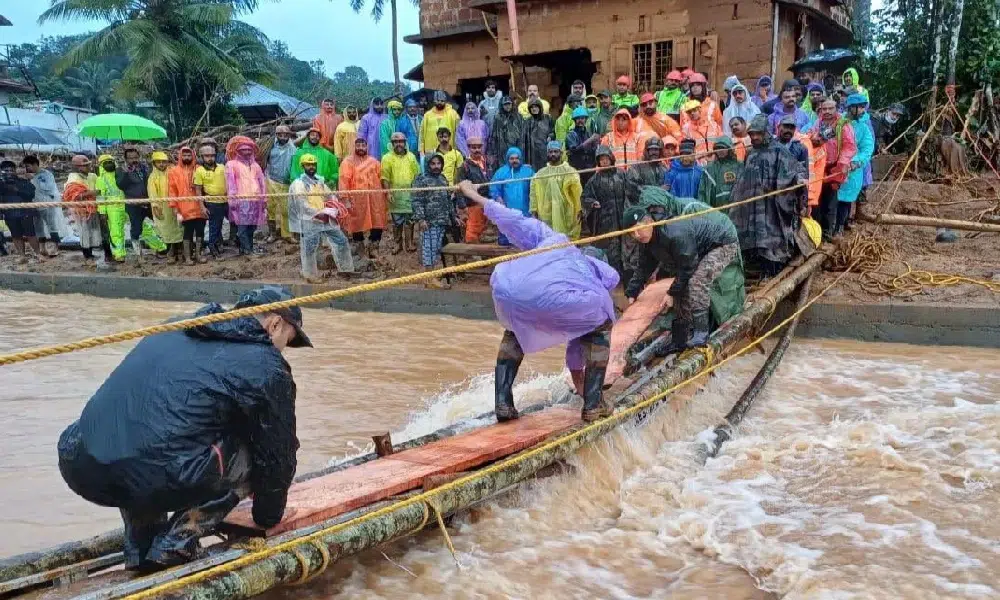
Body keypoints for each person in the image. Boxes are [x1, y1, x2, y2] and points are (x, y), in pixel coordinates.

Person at [57, 286, 309, 571]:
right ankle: (177, 541)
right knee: (258, 447)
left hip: (81, 462)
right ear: (275, 323)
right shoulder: (266, 365)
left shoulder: (176, 326)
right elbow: (279, 453)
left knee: (145, 434)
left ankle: (140, 546)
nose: (281, 350)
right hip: (153, 470)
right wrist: (268, 517)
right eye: (285, 341)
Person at [455, 180, 619, 423]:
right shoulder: (595, 281)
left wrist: (471, 194)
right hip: (563, 301)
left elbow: (513, 219)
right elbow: (577, 354)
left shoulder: (553, 239)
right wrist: (585, 393)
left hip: (507, 288)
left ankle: (503, 403)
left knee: (515, 330)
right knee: (601, 324)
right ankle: (594, 406)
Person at [623, 186, 744, 351]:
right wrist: (632, 291)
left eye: (639, 229)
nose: (637, 235)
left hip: (722, 241)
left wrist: (671, 293)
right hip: (696, 248)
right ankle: (680, 339)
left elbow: (687, 267)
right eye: (631, 233)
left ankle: (702, 333)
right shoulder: (647, 241)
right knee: (680, 288)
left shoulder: (674, 232)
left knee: (696, 281)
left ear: (650, 222)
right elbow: (643, 266)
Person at [727, 114, 804, 276]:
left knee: (771, 239)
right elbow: (743, 178)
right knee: (753, 237)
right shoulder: (751, 153)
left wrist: (794, 185)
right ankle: (754, 267)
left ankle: (772, 271)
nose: (754, 137)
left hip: (772, 207)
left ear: (766, 132)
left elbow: (794, 174)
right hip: (753, 206)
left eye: (758, 133)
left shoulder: (779, 151)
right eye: (751, 134)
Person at [288, 154, 355, 281]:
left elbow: (330, 196)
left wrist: (335, 207)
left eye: (313, 164)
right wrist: (317, 212)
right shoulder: (298, 184)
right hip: (310, 220)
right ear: (303, 166)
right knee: (309, 248)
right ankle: (310, 275)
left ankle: (346, 269)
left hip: (325, 218)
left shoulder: (320, 181)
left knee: (341, 240)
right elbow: (301, 204)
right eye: (308, 164)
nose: (311, 167)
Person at [805, 98, 856, 238]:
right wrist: (812, 138)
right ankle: (817, 233)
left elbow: (849, 146)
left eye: (830, 108)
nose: (826, 112)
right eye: (824, 109)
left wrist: (843, 164)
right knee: (817, 201)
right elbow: (809, 135)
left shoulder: (843, 125)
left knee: (831, 202)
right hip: (819, 167)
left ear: (836, 109)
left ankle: (828, 233)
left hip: (835, 168)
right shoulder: (818, 123)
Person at [582, 145, 631, 278]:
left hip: (623, 216)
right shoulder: (594, 180)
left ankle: (627, 275)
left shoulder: (622, 175)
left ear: (611, 158)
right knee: (611, 249)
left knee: (627, 247)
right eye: (601, 159)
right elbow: (585, 197)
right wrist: (592, 203)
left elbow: (631, 191)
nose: (604, 161)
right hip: (605, 222)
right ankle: (614, 276)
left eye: (606, 158)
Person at [412, 154, 457, 288]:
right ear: (427, 164)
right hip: (428, 222)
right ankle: (429, 279)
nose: (436, 166)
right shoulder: (421, 180)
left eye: (439, 163)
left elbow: (448, 200)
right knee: (428, 249)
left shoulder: (443, 179)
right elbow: (416, 201)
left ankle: (430, 277)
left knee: (435, 249)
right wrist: (421, 219)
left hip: (441, 220)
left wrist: (453, 217)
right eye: (433, 163)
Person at [833, 94, 874, 236]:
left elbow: (867, 148)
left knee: (846, 199)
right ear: (851, 108)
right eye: (860, 107)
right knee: (833, 199)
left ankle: (839, 227)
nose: (863, 110)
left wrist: (856, 162)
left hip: (852, 170)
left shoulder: (863, 127)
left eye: (864, 107)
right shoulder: (839, 122)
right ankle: (832, 227)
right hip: (836, 167)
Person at [339, 137, 387, 258]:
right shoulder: (347, 162)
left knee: (377, 221)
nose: (360, 148)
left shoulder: (374, 162)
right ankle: (359, 246)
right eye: (358, 146)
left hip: (375, 199)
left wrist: (386, 195)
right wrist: (345, 199)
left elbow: (382, 178)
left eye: (363, 146)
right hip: (356, 200)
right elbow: (344, 181)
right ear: (354, 147)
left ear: (367, 147)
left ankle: (374, 247)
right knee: (356, 222)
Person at [530, 141, 583, 238]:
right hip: (547, 213)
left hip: (566, 212)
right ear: (547, 154)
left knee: (566, 241)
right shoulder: (540, 174)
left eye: (556, 151)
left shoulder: (570, 172)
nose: (553, 154)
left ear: (561, 153)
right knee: (549, 239)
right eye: (550, 152)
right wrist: (534, 210)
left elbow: (577, 193)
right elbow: (533, 193)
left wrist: (580, 209)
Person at [117, 148, 162, 262]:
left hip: (148, 202)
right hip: (133, 204)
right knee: (136, 229)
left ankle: (157, 250)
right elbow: (120, 185)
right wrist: (127, 173)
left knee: (158, 224)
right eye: (131, 158)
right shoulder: (121, 170)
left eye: (136, 157)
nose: (134, 160)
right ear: (126, 159)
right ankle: (139, 255)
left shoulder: (144, 168)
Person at [63, 155, 108, 265]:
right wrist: (93, 193)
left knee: (98, 232)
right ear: (79, 167)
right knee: (85, 232)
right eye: (86, 165)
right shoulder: (73, 179)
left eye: (88, 164)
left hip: (96, 207)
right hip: (81, 210)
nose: (89, 166)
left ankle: (103, 253)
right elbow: (74, 196)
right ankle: (87, 255)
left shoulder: (92, 176)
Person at [380, 132, 421, 253]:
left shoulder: (411, 157)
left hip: (410, 195)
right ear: (392, 144)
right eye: (396, 142)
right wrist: (388, 193)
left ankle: (409, 244)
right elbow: (384, 177)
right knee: (397, 221)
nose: (399, 144)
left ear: (405, 143)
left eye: (401, 141)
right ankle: (397, 244)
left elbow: (417, 175)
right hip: (395, 196)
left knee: (410, 221)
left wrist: (417, 192)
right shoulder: (387, 158)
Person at [167, 147, 208, 265]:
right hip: (184, 209)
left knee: (200, 231)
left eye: (189, 156)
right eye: (184, 156)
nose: (186, 158)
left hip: (200, 207)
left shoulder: (199, 169)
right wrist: (174, 208)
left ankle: (199, 255)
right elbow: (172, 191)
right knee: (187, 233)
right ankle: (187, 257)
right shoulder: (173, 171)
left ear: (193, 156)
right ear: (180, 156)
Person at [489, 147, 534, 246]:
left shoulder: (528, 171)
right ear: (507, 159)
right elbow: (493, 188)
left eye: (517, 158)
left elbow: (536, 188)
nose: (514, 160)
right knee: (506, 240)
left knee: (524, 239)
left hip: (525, 212)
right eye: (511, 158)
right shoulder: (501, 172)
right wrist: (498, 198)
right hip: (507, 213)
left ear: (521, 158)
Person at [194, 142, 230, 258]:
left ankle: (221, 244)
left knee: (226, 224)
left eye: (212, 155)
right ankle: (212, 247)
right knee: (214, 226)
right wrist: (202, 207)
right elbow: (198, 190)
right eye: (207, 156)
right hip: (212, 203)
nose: (210, 158)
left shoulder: (222, 167)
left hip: (225, 200)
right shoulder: (199, 171)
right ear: (202, 157)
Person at [147, 151, 183, 263]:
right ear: (154, 163)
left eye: (164, 162)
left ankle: (180, 250)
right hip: (162, 208)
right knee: (166, 230)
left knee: (179, 228)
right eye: (159, 162)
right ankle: (170, 252)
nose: (162, 164)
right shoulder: (152, 177)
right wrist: (155, 207)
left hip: (175, 206)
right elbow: (152, 193)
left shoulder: (172, 171)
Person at [22, 155, 61, 256]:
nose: (27, 169)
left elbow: (47, 188)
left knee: (52, 226)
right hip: (34, 205)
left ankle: (55, 247)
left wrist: (34, 179)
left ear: (35, 164)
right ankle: (42, 248)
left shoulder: (46, 174)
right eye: (25, 167)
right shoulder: (28, 175)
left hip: (47, 204)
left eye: (28, 166)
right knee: (38, 227)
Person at [455, 136, 492, 243]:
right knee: (472, 231)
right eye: (473, 147)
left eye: (479, 147)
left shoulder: (487, 163)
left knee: (482, 226)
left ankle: (480, 249)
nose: (477, 150)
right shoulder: (464, 166)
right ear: (468, 148)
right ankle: (472, 254)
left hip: (486, 201)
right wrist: (463, 206)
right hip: (472, 203)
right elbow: (459, 187)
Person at [0, 160, 38, 258]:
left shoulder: (23, 181)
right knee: (16, 235)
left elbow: (31, 194)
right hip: (9, 213)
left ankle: (38, 254)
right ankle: (22, 256)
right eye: (6, 171)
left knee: (31, 234)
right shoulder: (1, 183)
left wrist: (17, 190)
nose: (9, 172)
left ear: (15, 171)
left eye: (11, 170)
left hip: (25, 212)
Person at [265, 125, 297, 242]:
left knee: (286, 209)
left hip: (286, 183)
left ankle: (287, 235)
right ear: (276, 135)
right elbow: (263, 160)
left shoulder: (293, 149)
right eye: (280, 135)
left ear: (289, 135)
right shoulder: (270, 147)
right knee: (270, 208)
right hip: (271, 181)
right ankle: (272, 233)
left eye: (286, 135)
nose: (283, 137)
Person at [95, 154, 128, 262]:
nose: (109, 163)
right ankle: (119, 254)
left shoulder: (120, 174)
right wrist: (102, 213)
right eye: (106, 162)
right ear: (101, 165)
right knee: (116, 232)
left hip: (127, 204)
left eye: (111, 161)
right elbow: (100, 197)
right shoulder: (100, 179)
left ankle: (160, 247)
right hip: (112, 208)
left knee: (144, 226)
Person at [698, 137, 744, 208]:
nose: (720, 151)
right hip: (718, 210)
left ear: (730, 149)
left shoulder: (740, 165)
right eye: (717, 149)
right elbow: (702, 193)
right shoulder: (709, 169)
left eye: (723, 148)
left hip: (738, 208)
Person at [565, 106, 601, 186]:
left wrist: (596, 143)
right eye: (578, 119)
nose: (580, 121)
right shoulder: (571, 134)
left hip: (590, 169)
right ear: (574, 120)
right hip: (577, 169)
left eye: (582, 118)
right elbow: (574, 150)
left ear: (585, 119)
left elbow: (593, 150)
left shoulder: (588, 133)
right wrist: (590, 140)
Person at [488, 96, 525, 169]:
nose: (507, 106)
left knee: (517, 166)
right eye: (505, 104)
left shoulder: (518, 117)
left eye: (509, 104)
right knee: (504, 167)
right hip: (502, 148)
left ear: (512, 105)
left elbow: (522, 132)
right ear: (502, 106)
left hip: (516, 145)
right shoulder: (498, 118)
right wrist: (493, 151)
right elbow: (494, 134)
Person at [420, 91, 460, 157]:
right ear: (434, 101)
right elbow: (422, 133)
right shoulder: (427, 115)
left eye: (442, 101)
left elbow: (458, 133)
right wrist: (421, 150)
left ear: (445, 101)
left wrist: (457, 149)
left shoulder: (453, 114)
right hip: (430, 151)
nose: (439, 103)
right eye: (437, 100)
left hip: (448, 151)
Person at [521, 98, 556, 172]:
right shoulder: (527, 122)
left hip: (546, 151)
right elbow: (524, 140)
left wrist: (550, 136)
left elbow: (554, 131)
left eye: (536, 107)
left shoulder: (548, 118)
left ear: (540, 107)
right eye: (532, 107)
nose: (534, 109)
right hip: (532, 153)